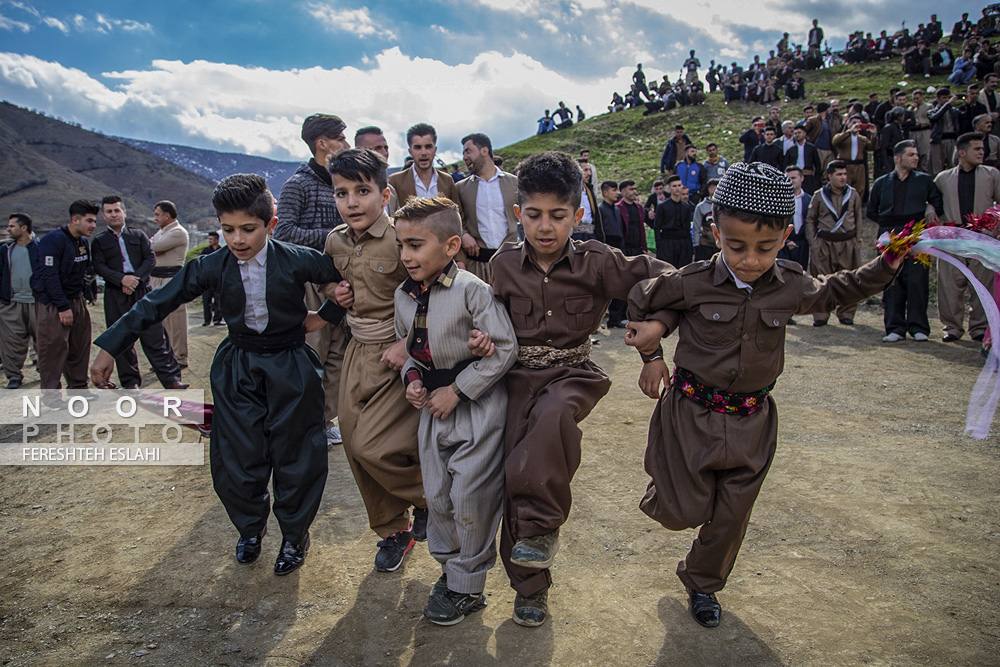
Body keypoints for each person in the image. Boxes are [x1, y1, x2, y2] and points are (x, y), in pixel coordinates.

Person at [625, 161, 902, 629]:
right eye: (736, 246)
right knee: (680, 512)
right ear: (716, 233)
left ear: (787, 236)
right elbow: (644, 299)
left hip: (754, 421)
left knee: (731, 517)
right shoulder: (690, 281)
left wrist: (889, 262)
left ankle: (703, 582)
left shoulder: (791, 284)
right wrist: (653, 352)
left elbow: (839, 289)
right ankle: (671, 491)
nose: (750, 260)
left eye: (765, 248)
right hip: (690, 415)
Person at [91, 173, 344, 575]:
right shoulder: (210, 265)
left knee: (298, 454)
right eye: (228, 230)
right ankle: (250, 530)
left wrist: (322, 318)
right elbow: (156, 301)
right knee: (237, 456)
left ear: (270, 225)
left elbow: (345, 283)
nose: (238, 239)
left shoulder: (298, 259)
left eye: (248, 229)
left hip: (291, 366)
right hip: (237, 367)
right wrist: (109, 347)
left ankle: (295, 536)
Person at [489, 151, 672, 627]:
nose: (545, 227)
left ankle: (543, 527)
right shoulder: (502, 265)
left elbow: (668, 278)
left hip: (572, 375)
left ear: (578, 215)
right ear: (518, 215)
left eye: (558, 216)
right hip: (513, 380)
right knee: (513, 474)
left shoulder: (597, 261)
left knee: (552, 418)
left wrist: (654, 331)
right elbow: (482, 317)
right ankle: (529, 590)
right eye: (534, 215)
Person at [391, 197, 518, 626]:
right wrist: (411, 380)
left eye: (415, 244)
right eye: (401, 245)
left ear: (450, 246)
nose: (406, 255)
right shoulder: (403, 296)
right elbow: (411, 353)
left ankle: (468, 587)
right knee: (438, 495)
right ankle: (450, 570)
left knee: (470, 497)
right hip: (431, 411)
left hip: (477, 410)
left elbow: (504, 350)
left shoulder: (472, 291)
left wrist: (459, 391)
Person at [326, 148, 428, 572]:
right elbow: (331, 289)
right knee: (352, 444)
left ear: (384, 195)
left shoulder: (403, 238)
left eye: (362, 191)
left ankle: (433, 499)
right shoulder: (334, 241)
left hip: (398, 356)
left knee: (377, 446)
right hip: (357, 352)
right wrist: (334, 295)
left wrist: (409, 344)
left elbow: (436, 290)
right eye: (342, 193)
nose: (352, 202)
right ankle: (394, 531)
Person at [275, 113, 351, 447]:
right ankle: (303, 423)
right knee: (314, 354)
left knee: (338, 355)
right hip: (309, 283)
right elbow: (283, 231)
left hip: (340, 281)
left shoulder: (340, 183)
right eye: (341, 138)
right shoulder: (298, 184)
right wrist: (332, 236)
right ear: (323, 143)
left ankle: (323, 419)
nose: (346, 144)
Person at [91, 195, 187, 390]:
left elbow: (149, 259)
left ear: (124, 212)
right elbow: (99, 266)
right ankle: (131, 382)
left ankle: (171, 379)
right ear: (103, 215)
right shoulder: (99, 241)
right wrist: (121, 279)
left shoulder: (139, 236)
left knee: (155, 336)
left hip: (142, 290)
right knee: (122, 340)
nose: (113, 215)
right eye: (109, 211)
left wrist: (135, 279)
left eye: (117, 210)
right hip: (115, 294)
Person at [868, 140, 944, 342]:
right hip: (889, 235)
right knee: (891, 281)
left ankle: (918, 327)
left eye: (916, 154)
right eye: (911, 155)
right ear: (898, 158)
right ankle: (894, 327)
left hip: (916, 234)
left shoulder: (925, 181)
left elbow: (937, 203)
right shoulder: (882, 182)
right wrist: (889, 229)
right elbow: (872, 210)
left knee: (917, 280)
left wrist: (930, 208)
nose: (916, 158)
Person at [934, 133, 1000, 342]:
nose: (982, 152)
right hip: (952, 239)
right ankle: (952, 328)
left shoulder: (992, 175)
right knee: (949, 286)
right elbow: (931, 200)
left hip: (982, 239)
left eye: (982, 149)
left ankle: (979, 328)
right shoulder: (943, 178)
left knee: (983, 284)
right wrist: (929, 209)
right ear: (962, 152)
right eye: (977, 149)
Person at [32, 200, 97, 397]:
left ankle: (79, 388)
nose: (93, 225)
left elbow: (84, 271)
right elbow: (48, 276)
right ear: (75, 220)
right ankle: (51, 397)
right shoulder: (53, 240)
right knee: (53, 349)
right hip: (54, 303)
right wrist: (62, 307)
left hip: (76, 300)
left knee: (80, 346)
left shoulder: (82, 242)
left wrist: (86, 295)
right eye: (89, 221)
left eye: (94, 221)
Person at [803, 161, 865, 326]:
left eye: (845, 174)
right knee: (821, 281)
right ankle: (821, 314)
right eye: (839, 174)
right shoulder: (819, 195)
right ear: (829, 176)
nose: (843, 177)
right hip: (824, 244)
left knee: (849, 280)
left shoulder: (853, 195)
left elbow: (859, 218)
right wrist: (813, 243)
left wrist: (857, 241)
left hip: (847, 243)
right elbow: (810, 220)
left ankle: (846, 313)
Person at [456, 133, 518, 284]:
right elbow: (454, 220)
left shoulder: (514, 183)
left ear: (484, 150)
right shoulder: (460, 188)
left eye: (468, 151)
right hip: (477, 267)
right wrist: (464, 235)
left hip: (511, 263)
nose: (464, 157)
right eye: (463, 152)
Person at [149, 200, 189, 368]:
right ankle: (166, 357)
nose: (155, 218)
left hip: (171, 278)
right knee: (160, 321)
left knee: (175, 321)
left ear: (167, 215)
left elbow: (153, 247)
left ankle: (179, 357)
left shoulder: (178, 232)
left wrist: (151, 245)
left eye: (157, 214)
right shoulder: (161, 233)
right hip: (156, 278)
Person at [0, 213, 38, 389]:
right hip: (12, 302)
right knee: (11, 342)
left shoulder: (40, 247)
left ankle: (44, 370)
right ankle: (14, 375)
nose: (8, 229)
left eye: (12, 226)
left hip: (37, 302)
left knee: (43, 340)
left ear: (24, 228)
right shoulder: (5, 250)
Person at [389, 123, 462, 211]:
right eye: (418, 147)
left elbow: (458, 214)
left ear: (435, 150)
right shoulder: (396, 181)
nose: (423, 152)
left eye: (428, 147)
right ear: (410, 152)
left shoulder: (447, 180)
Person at [598, 181, 629, 329]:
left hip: (620, 245)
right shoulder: (600, 209)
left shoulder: (616, 210)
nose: (617, 193)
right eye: (613, 190)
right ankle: (612, 317)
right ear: (605, 192)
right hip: (608, 245)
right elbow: (601, 231)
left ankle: (619, 316)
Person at [652, 175, 695, 267]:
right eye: (674, 186)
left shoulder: (686, 206)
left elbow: (687, 227)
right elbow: (657, 227)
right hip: (667, 242)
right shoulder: (662, 206)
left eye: (679, 185)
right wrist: (659, 245)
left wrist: (689, 245)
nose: (677, 188)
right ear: (669, 188)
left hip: (683, 242)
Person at [778, 166, 812, 277]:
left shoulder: (809, 200)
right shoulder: (779, 200)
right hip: (784, 244)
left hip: (802, 244)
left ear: (801, 178)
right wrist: (787, 242)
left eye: (793, 178)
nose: (791, 181)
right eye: (788, 178)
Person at [832, 116, 877, 196]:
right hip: (845, 165)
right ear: (848, 124)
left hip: (859, 166)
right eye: (854, 122)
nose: (856, 125)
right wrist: (849, 131)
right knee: (844, 187)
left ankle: (857, 206)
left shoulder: (862, 139)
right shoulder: (843, 136)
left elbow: (871, 147)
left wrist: (874, 136)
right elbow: (835, 141)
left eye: (859, 123)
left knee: (860, 189)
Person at [929, 88, 962, 175]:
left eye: (948, 98)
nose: (947, 100)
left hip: (952, 139)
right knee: (937, 165)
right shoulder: (932, 111)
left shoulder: (954, 111)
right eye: (944, 98)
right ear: (938, 99)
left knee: (953, 164)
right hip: (938, 140)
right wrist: (947, 105)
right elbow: (935, 117)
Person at [784, 123, 823, 194]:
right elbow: (785, 165)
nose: (797, 135)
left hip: (809, 178)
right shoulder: (791, 150)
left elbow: (817, 164)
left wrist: (817, 180)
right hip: (794, 177)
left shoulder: (811, 148)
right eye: (795, 133)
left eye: (799, 133)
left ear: (804, 133)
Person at [692, 178, 720, 262]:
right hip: (705, 244)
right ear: (711, 190)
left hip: (720, 244)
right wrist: (696, 244)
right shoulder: (701, 207)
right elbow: (696, 227)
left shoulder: (724, 206)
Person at [199, 232, 223, 326]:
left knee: (218, 300)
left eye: (211, 239)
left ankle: (217, 319)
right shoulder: (205, 251)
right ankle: (207, 320)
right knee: (206, 301)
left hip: (218, 280)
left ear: (216, 240)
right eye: (209, 239)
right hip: (206, 279)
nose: (209, 241)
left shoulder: (221, 251)